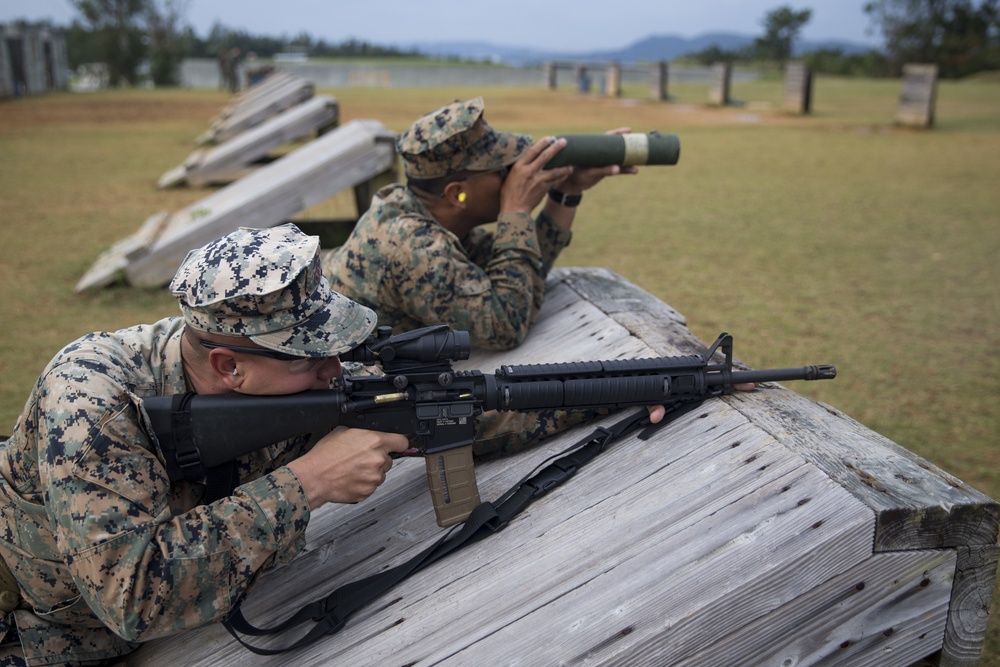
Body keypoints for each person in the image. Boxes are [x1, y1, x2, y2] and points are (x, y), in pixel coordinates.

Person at [0, 225, 410, 666]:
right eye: (312, 357)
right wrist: (309, 482)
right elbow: (133, 597)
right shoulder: (89, 403)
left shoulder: (273, 375)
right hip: (35, 637)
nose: (335, 368)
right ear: (229, 366)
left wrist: (454, 412)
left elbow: (399, 405)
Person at [322, 96, 637, 351]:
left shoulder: (424, 213)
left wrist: (566, 192)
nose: (514, 176)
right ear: (457, 194)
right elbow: (504, 326)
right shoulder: (413, 245)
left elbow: (516, 270)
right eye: (502, 171)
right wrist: (516, 209)